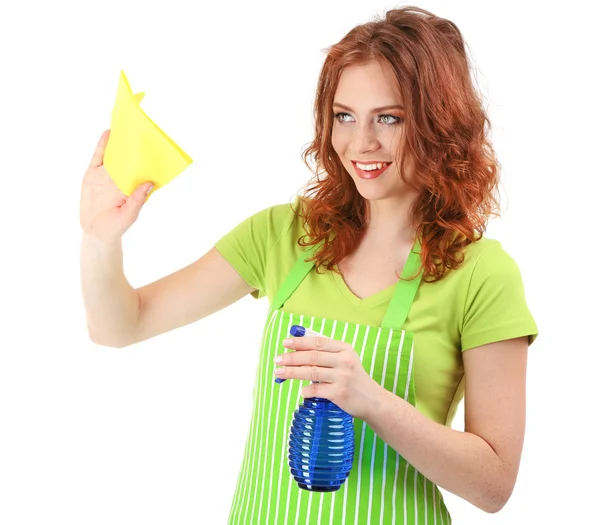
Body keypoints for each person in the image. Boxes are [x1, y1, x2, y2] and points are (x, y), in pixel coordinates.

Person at [80, 5, 538, 524]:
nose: (360, 143)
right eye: (344, 115)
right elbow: (121, 326)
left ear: (440, 123)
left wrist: (373, 401)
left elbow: (494, 485)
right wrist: (100, 240)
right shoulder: (285, 235)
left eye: (389, 118)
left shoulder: (482, 275)